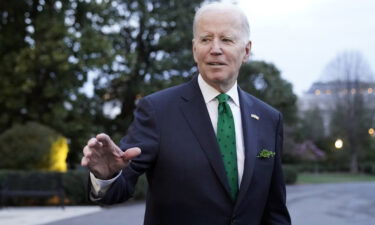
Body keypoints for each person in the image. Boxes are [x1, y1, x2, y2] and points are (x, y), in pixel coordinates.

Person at [81, 2, 291, 225]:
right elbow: (120, 188)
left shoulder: (269, 119)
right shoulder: (157, 111)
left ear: (246, 51)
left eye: (226, 39)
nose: (215, 48)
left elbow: (274, 211)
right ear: (194, 49)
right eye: (205, 39)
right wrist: (106, 177)